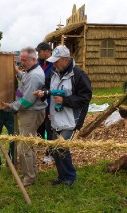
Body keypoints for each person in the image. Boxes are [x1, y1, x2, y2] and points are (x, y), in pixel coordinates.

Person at [34, 45, 92, 187]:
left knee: (61, 147)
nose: (54, 64)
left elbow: (86, 97)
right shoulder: (54, 71)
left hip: (72, 118)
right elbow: (47, 86)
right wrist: (43, 93)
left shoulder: (78, 74)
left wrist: (65, 101)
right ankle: (62, 176)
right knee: (55, 149)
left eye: (57, 61)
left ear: (65, 60)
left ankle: (70, 176)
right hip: (55, 117)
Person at [1, 47, 47, 187]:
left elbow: (27, 101)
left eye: (25, 60)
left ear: (34, 59)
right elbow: (25, 80)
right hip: (30, 112)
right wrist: (18, 72)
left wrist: (10, 106)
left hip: (30, 112)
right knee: (29, 145)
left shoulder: (34, 75)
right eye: (21, 60)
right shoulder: (31, 71)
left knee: (24, 148)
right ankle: (30, 172)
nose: (22, 62)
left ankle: (29, 178)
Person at [36, 42, 54, 164]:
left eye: (40, 52)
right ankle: (43, 146)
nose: (38, 54)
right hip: (38, 103)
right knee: (40, 128)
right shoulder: (38, 64)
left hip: (50, 101)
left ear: (47, 51)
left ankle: (50, 153)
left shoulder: (53, 65)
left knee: (50, 128)